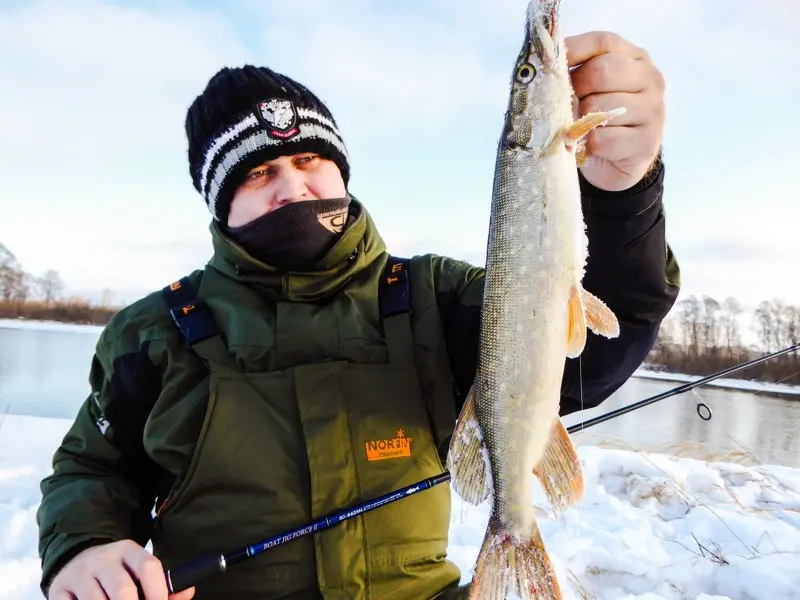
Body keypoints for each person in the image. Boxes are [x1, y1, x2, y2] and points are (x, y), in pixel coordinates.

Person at [37, 30, 680, 600]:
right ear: (218, 201)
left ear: (341, 170)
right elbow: (95, 469)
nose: (294, 188)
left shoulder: (431, 295)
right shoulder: (155, 332)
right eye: (260, 173)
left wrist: (624, 191)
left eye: (310, 160)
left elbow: (586, 359)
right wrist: (84, 545)